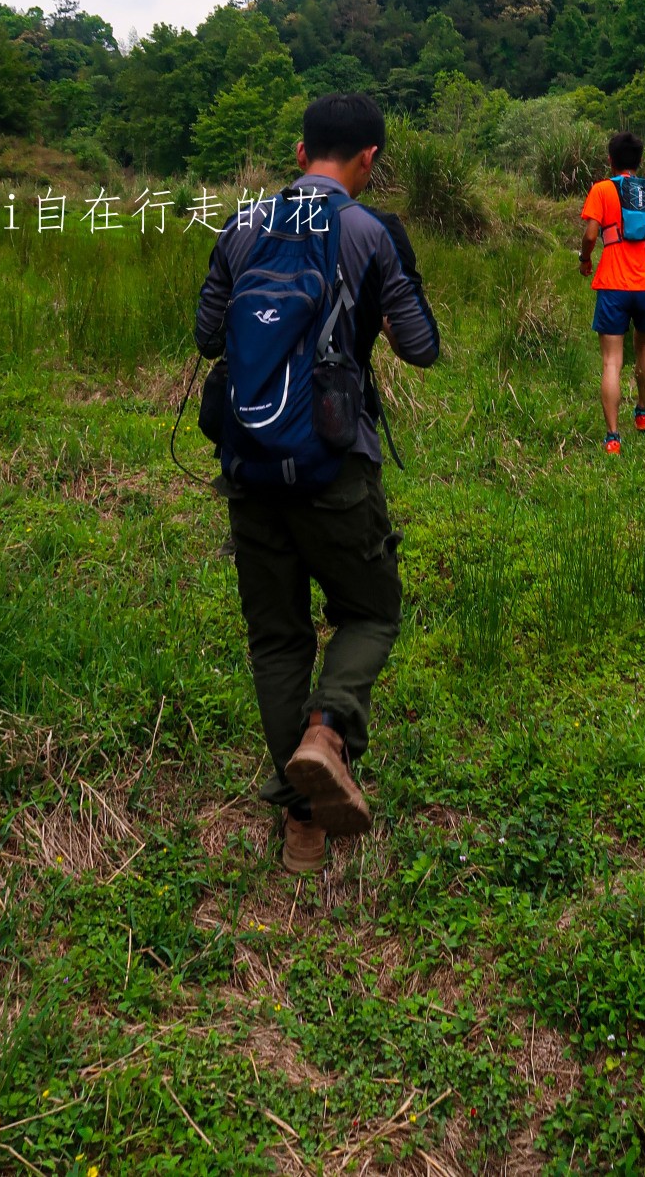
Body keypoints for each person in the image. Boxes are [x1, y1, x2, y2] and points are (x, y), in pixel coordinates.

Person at [194, 92, 439, 876]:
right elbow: (422, 348)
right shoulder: (373, 232)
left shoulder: (238, 227)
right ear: (368, 160)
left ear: (301, 155)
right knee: (372, 610)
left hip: (249, 461)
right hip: (336, 463)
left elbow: (207, 335)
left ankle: (301, 824)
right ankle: (328, 731)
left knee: (276, 638)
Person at [579, 130, 645, 454]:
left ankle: (612, 438)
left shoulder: (602, 190)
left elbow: (591, 234)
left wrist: (585, 258)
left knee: (611, 361)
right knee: (644, 348)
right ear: (639, 161)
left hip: (612, 285)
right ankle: (643, 413)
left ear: (610, 159)